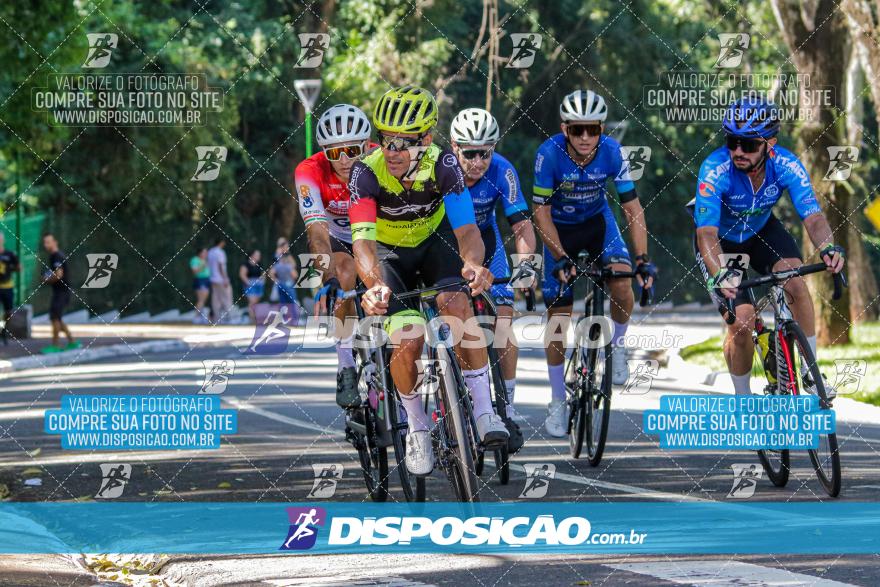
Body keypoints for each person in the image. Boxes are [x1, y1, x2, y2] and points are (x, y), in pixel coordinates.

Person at [349, 85, 509, 477]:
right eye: (386, 139)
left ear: (425, 140)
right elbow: (363, 243)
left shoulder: (446, 165)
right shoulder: (366, 172)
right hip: (389, 253)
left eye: (404, 142)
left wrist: (473, 265)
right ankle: (417, 426)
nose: (392, 150)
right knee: (407, 339)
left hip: (434, 241)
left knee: (458, 306)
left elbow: (468, 230)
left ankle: (484, 412)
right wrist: (372, 284)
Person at [692, 96, 845, 397]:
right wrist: (720, 274)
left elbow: (813, 217)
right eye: (732, 141)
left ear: (769, 144)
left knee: (796, 284)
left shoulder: (786, 164)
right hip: (722, 242)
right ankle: (743, 398)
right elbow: (706, 235)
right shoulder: (715, 169)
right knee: (742, 322)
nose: (738, 151)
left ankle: (810, 373)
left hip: (761, 232)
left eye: (748, 145)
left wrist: (828, 247)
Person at [532, 90, 656, 438]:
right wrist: (558, 258)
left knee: (621, 281)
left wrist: (643, 258)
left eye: (592, 130)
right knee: (558, 315)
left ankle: (617, 348)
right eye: (577, 130)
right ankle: (557, 399)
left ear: (602, 130)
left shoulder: (614, 152)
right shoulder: (548, 154)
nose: (585, 138)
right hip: (560, 231)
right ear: (565, 129)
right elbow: (540, 213)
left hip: (598, 225)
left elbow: (632, 207)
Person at [449, 107, 537, 453]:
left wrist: (526, 265)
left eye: (485, 152)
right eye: (470, 153)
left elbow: (521, 225)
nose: (478, 161)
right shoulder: (442, 171)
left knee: (503, 323)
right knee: (454, 322)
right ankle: (454, 386)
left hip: (487, 244)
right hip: (448, 245)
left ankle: (508, 407)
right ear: (454, 147)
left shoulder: (503, 170)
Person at [295, 103, 376, 408]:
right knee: (343, 273)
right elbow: (316, 232)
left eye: (352, 150)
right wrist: (327, 277)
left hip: (374, 236)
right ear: (324, 153)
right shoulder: (308, 172)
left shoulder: (381, 161)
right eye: (334, 153)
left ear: (367, 146)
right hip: (335, 240)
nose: (343, 160)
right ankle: (345, 365)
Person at [41, 234, 79, 353]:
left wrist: (46, 280)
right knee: (56, 317)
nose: (46, 245)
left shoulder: (56, 256)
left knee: (55, 317)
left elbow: (59, 275)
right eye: (44, 242)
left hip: (62, 292)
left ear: (55, 242)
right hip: (61, 291)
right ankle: (72, 341)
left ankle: (55, 345)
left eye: (48, 242)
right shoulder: (55, 256)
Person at [0, 232, 20, 345]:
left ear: (3, 241)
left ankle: (4, 330)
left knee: (9, 312)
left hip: (8, 287)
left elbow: (19, 267)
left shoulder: (10, 254)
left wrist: (12, 268)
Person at [207, 237, 232, 324]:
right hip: (220, 279)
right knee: (226, 298)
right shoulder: (220, 252)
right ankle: (229, 318)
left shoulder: (210, 252)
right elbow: (220, 266)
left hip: (213, 278)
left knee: (215, 299)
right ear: (221, 242)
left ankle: (216, 318)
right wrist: (225, 278)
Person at [239, 249, 265, 323]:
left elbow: (263, 274)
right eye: (257, 255)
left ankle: (255, 319)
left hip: (259, 285)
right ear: (252, 255)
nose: (259, 256)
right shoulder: (246, 264)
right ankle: (252, 320)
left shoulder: (259, 264)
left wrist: (262, 281)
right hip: (250, 285)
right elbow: (242, 275)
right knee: (252, 302)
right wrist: (249, 283)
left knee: (255, 303)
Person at [189, 246, 211, 324]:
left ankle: (201, 317)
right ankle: (196, 317)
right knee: (201, 300)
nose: (206, 254)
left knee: (203, 300)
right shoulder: (195, 260)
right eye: (204, 252)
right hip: (200, 280)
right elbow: (195, 271)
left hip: (206, 280)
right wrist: (202, 265)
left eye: (206, 252)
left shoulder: (204, 260)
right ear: (200, 253)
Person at [270, 237, 290, 302]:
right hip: (280, 279)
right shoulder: (278, 253)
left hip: (286, 279)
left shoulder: (286, 254)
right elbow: (273, 268)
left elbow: (293, 265)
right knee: (280, 299)